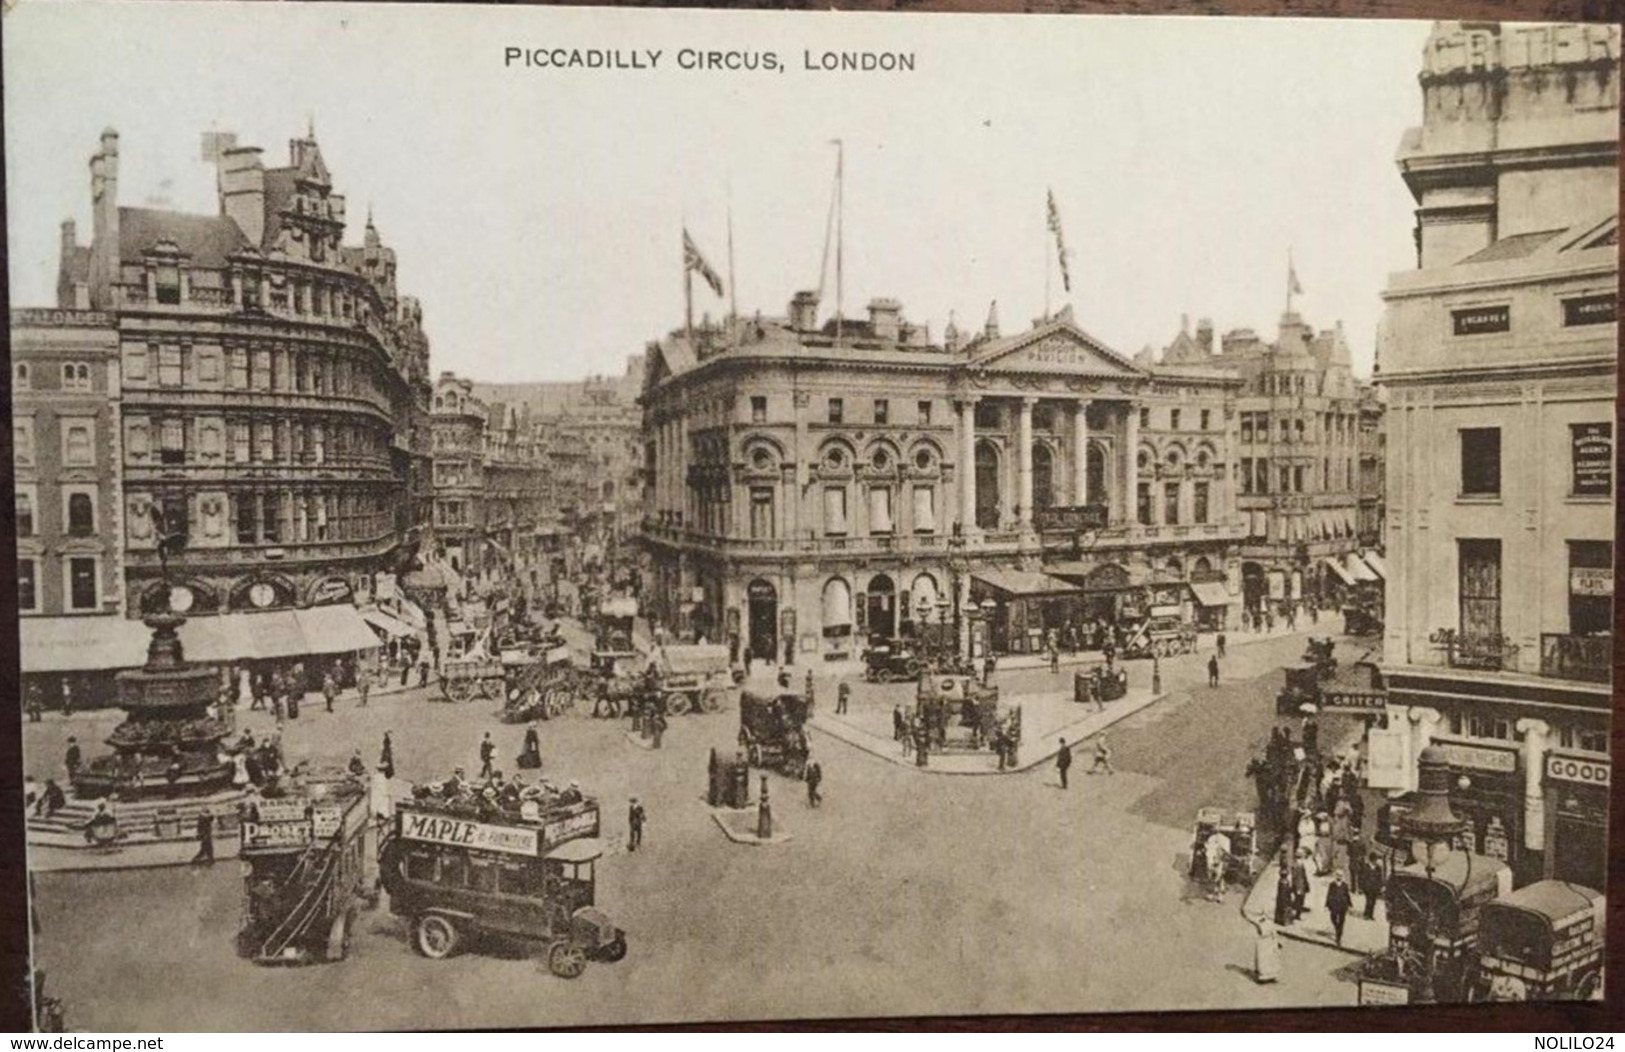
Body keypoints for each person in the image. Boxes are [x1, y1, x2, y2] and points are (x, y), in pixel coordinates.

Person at [1251, 915, 1282, 984]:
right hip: (1264, 934)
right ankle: (1262, 976)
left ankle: (1271, 975)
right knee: (1263, 956)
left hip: (1271, 934)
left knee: (1272, 956)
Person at [1325, 871, 1353, 946]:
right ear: (1335, 876)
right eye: (1337, 875)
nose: (1339, 877)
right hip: (1334, 905)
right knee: (1333, 918)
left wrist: (1350, 905)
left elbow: (1347, 895)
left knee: (1341, 921)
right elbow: (1329, 894)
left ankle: (1338, 937)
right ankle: (1337, 928)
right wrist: (1327, 904)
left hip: (1343, 905)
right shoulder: (1332, 885)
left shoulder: (1344, 885)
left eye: (1340, 875)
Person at [1359, 851, 1386, 920]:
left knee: (1373, 901)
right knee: (1369, 900)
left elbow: (1380, 878)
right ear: (1372, 859)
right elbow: (1362, 877)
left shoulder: (1378, 868)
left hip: (1375, 887)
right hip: (1367, 887)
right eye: (1375, 859)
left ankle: (1370, 915)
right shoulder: (1365, 867)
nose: (1376, 861)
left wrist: (1381, 886)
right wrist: (1361, 887)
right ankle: (1366, 914)